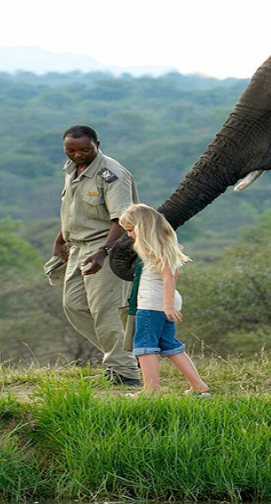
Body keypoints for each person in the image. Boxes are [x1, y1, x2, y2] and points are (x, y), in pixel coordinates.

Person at [52, 125, 142, 385]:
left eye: (84, 149)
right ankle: (127, 354)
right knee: (74, 305)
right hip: (76, 247)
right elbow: (71, 209)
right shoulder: (71, 169)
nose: (78, 154)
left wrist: (104, 253)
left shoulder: (111, 174)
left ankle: (124, 372)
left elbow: (122, 219)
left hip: (106, 247)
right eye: (71, 150)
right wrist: (60, 240)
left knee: (107, 311)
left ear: (97, 145)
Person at [118, 203, 210, 396]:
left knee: (144, 346)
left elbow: (168, 276)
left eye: (130, 230)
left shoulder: (155, 249)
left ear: (141, 228)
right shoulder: (166, 246)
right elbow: (173, 276)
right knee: (169, 344)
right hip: (163, 304)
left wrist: (167, 305)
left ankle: (150, 392)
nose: (129, 235)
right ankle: (198, 386)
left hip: (152, 306)